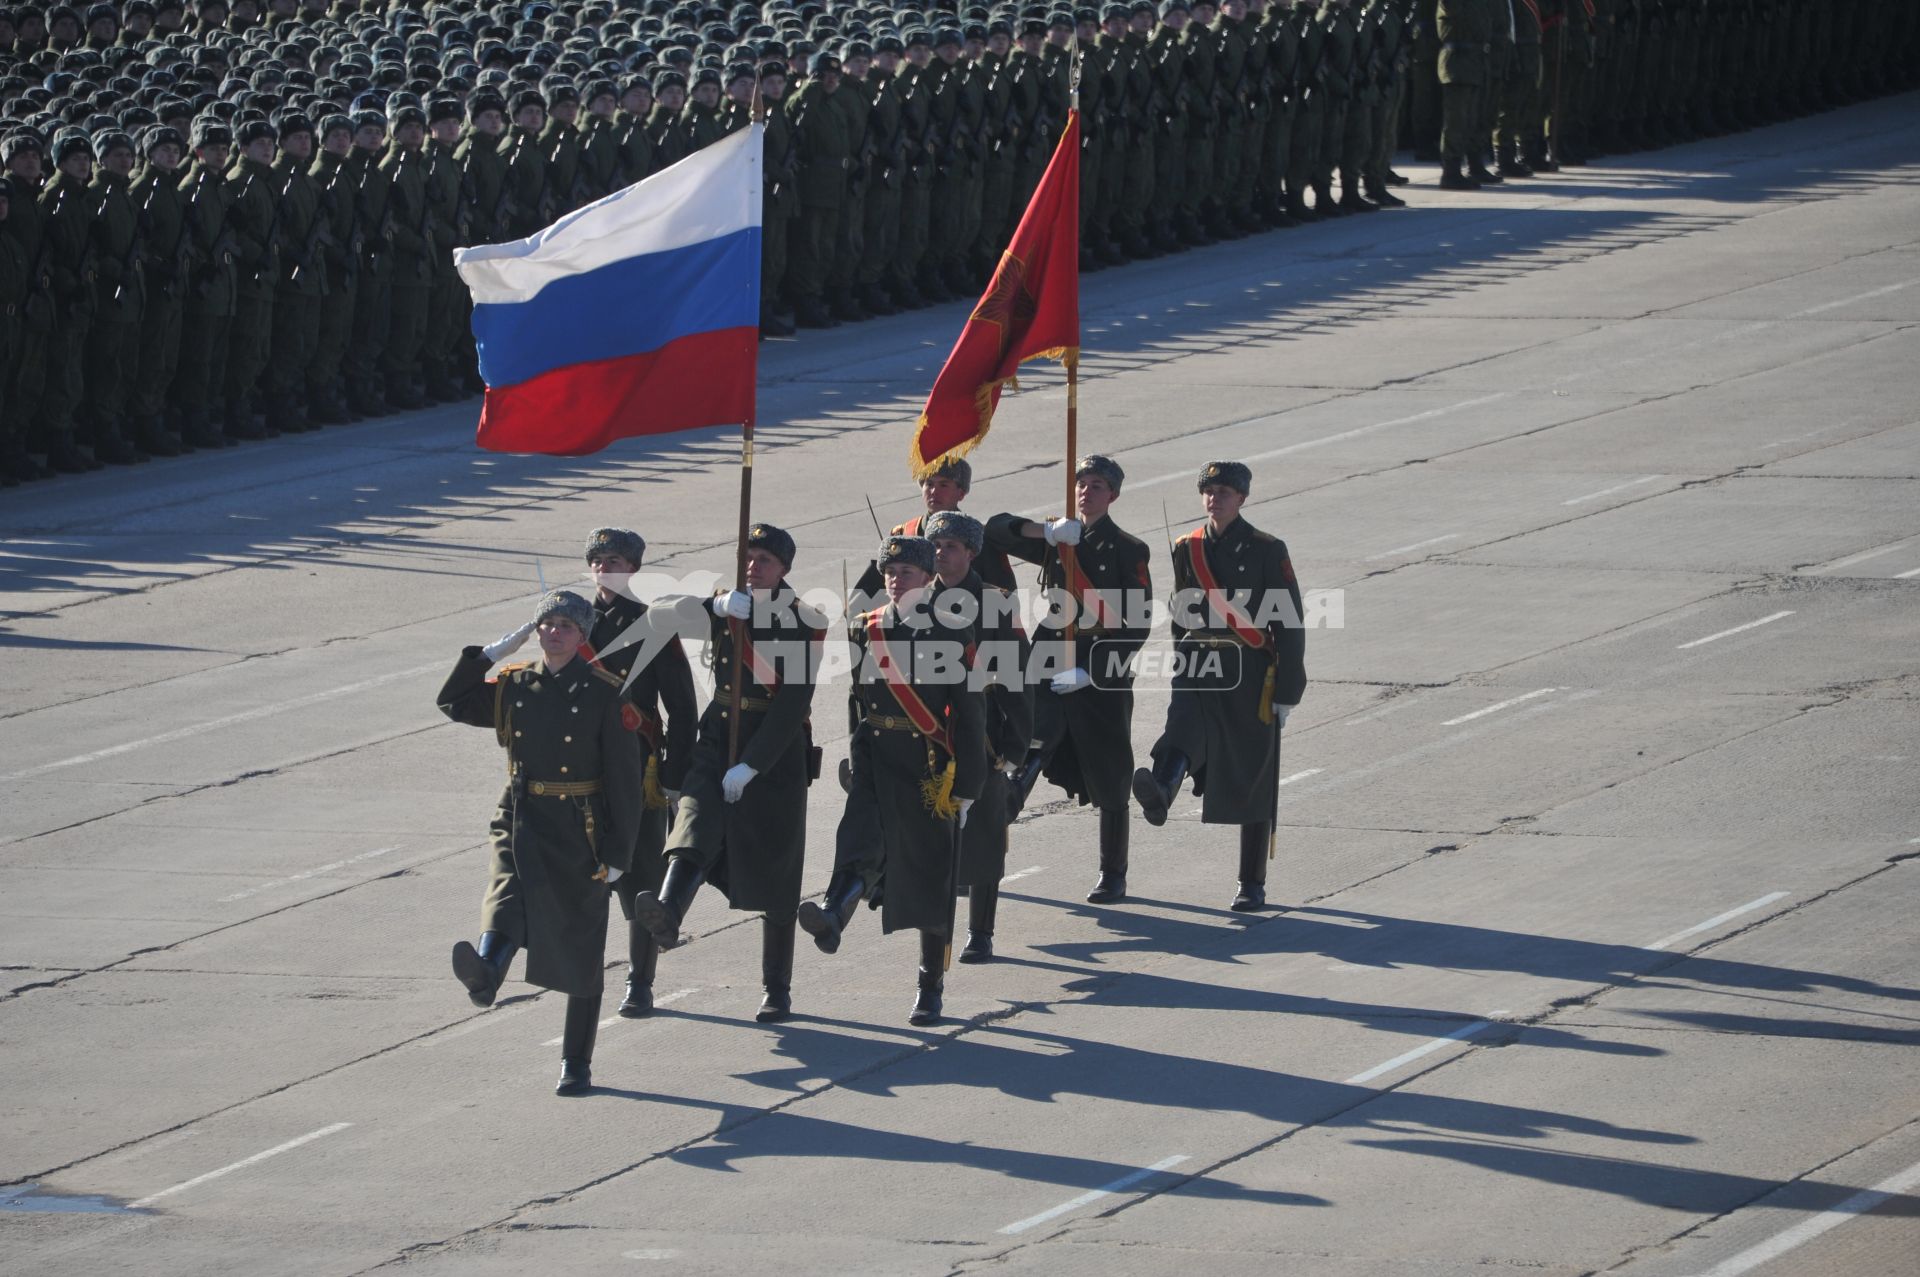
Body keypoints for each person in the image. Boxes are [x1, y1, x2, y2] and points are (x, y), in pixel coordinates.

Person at [436, 589, 645, 1096]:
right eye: (546, 624)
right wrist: (487, 655)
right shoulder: (516, 684)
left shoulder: (605, 692)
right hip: (523, 814)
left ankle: (576, 1061)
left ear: (582, 636)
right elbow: (454, 702)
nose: (554, 633)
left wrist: (619, 855)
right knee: (507, 898)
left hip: (580, 826)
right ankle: (486, 972)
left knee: (579, 944)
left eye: (566, 627)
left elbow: (625, 782)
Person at [630, 524, 824, 1024]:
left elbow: (792, 704)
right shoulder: (726, 604)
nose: (753, 566)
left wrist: (753, 764)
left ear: (784, 569)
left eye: (763, 559)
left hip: (774, 752)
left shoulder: (802, 621)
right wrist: (709, 609)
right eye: (748, 556)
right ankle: (669, 912)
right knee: (693, 824)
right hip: (717, 737)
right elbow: (654, 619)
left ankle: (776, 989)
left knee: (777, 871)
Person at [799, 534, 986, 1025]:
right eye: (889, 571)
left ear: (927, 578)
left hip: (928, 768)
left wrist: (968, 784)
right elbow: (858, 701)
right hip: (878, 757)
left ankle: (930, 985)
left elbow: (970, 713)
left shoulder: (952, 632)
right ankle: (833, 914)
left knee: (929, 878)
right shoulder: (867, 628)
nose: (894, 579)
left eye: (905, 571)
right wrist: (855, 755)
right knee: (858, 842)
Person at [1133, 461, 1307, 910]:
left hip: (1248, 668)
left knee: (1253, 771)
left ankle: (1251, 883)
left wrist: (1287, 689)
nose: (1215, 498)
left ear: (1243, 498)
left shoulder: (1268, 548)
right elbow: (1181, 608)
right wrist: (1179, 662)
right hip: (1198, 661)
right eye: (1209, 491)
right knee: (1183, 732)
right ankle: (1161, 794)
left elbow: (1289, 622)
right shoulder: (1185, 546)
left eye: (1225, 491)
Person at [985, 454, 1151, 902]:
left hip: (1100, 660)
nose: (1086, 491)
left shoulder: (1130, 549)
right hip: (1051, 650)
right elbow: (994, 529)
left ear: (1113, 495)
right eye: (1081, 483)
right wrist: (1047, 532)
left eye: (1097, 484)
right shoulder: (1061, 539)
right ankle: (1009, 802)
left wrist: (1091, 671)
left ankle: (1112, 872)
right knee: (1033, 731)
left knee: (1111, 767)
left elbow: (1136, 625)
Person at [577, 528, 698, 1020]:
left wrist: (672, 776)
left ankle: (639, 982)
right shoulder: (570, 621)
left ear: (634, 568)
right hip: (582, 769)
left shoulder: (654, 624)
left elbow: (684, 709)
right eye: (599, 559)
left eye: (616, 560)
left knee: (641, 879)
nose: (606, 567)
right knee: (582, 878)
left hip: (638, 766)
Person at [926, 511, 1033, 964]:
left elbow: (1016, 676)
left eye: (950, 545)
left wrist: (1016, 745)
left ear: (971, 552)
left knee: (986, 834)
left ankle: (981, 931)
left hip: (985, 731)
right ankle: (936, 931)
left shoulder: (995, 602)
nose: (940, 553)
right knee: (931, 836)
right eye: (935, 545)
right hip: (930, 730)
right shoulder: (912, 600)